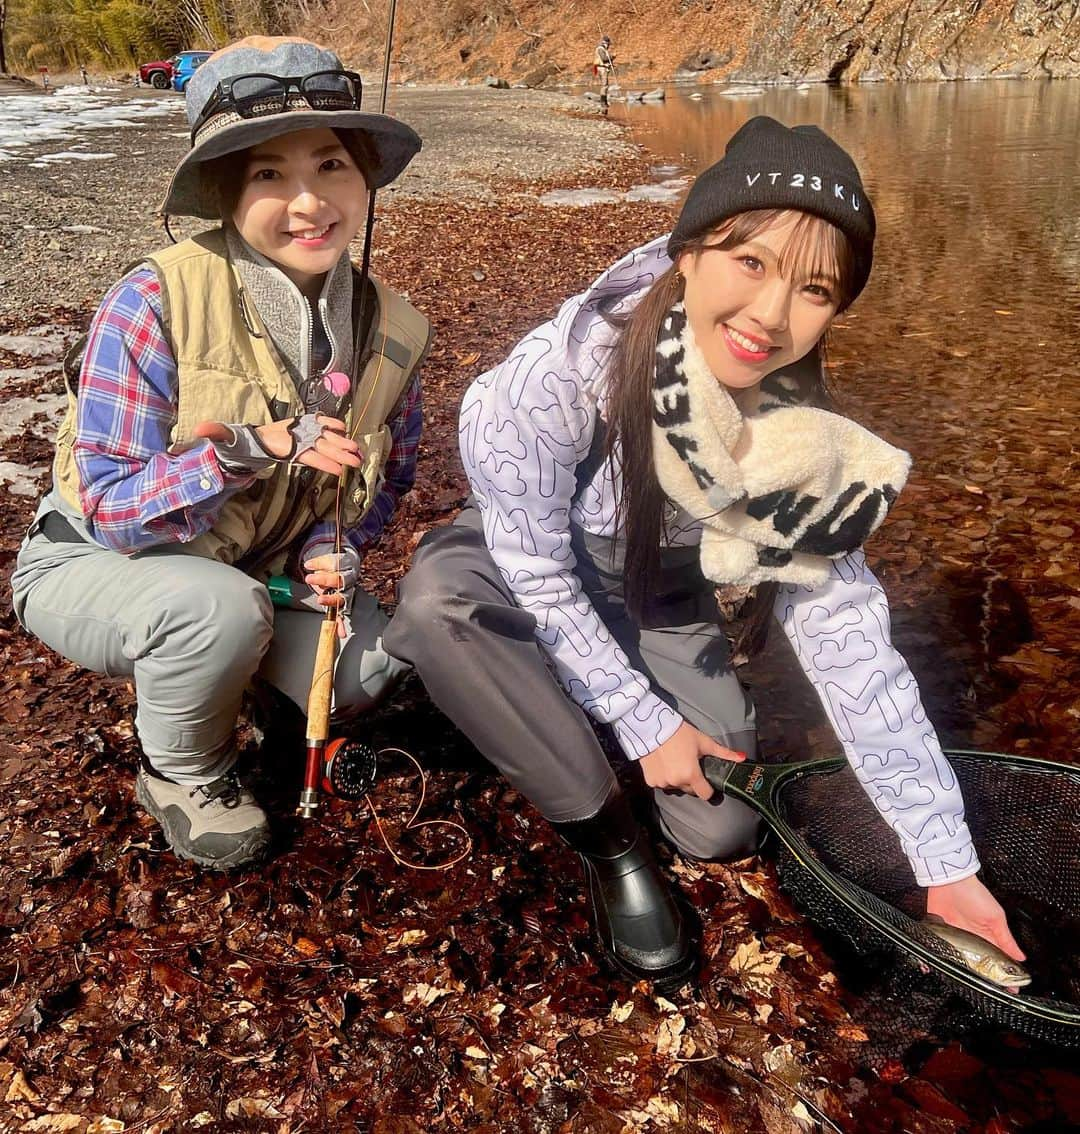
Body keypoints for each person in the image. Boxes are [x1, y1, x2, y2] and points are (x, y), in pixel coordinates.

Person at [384, 117, 1025, 989]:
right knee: (438, 605)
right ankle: (610, 849)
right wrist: (645, 724)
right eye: (750, 261)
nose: (770, 315)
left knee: (721, 828)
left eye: (815, 290)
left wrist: (943, 862)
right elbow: (534, 570)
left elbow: (854, 651)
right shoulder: (555, 377)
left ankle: (508, 694)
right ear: (687, 252)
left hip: (656, 598)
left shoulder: (799, 443)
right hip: (521, 559)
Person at [11, 36, 430, 871]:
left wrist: (327, 550)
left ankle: (254, 683)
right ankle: (181, 770)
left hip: (258, 570)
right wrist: (246, 451)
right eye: (269, 174)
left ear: (365, 179)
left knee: (373, 668)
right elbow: (114, 510)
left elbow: (388, 482)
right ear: (227, 192)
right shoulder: (152, 299)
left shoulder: (398, 327)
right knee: (213, 616)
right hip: (93, 563)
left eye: (332, 165)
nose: (309, 202)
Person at [593, 35, 616, 104]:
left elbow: (605, 59)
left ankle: (604, 101)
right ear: (605, 43)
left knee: (604, 85)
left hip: (601, 68)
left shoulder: (602, 49)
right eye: (608, 44)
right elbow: (604, 59)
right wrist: (613, 56)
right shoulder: (600, 49)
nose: (609, 46)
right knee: (604, 85)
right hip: (602, 69)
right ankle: (603, 102)